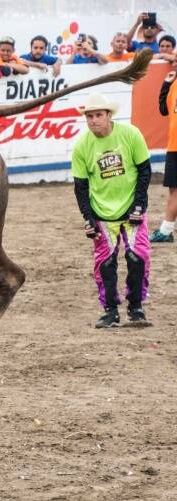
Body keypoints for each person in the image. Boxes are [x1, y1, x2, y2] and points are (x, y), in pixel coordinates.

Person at [71, 93, 152, 328]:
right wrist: (88, 218)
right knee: (105, 264)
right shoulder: (82, 146)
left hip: (131, 209)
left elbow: (144, 172)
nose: (93, 120)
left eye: (98, 115)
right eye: (89, 116)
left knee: (138, 258)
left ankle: (136, 307)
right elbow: (81, 186)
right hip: (102, 214)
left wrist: (139, 205)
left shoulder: (130, 134)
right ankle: (110, 310)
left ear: (108, 115)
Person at [150, 67, 177, 243]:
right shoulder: (174, 84)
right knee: (173, 189)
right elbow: (164, 109)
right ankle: (167, 230)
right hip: (174, 144)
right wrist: (166, 84)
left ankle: (166, 230)